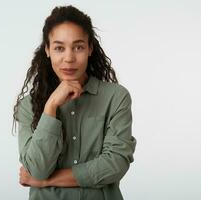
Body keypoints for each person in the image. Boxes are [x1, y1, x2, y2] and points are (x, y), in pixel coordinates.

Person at [12, 5, 136, 200]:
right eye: (59, 48)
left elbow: (115, 165)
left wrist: (47, 181)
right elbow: (37, 168)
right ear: (47, 50)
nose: (69, 58)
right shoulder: (29, 106)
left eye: (78, 47)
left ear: (90, 48)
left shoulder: (116, 97)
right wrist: (50, 107)